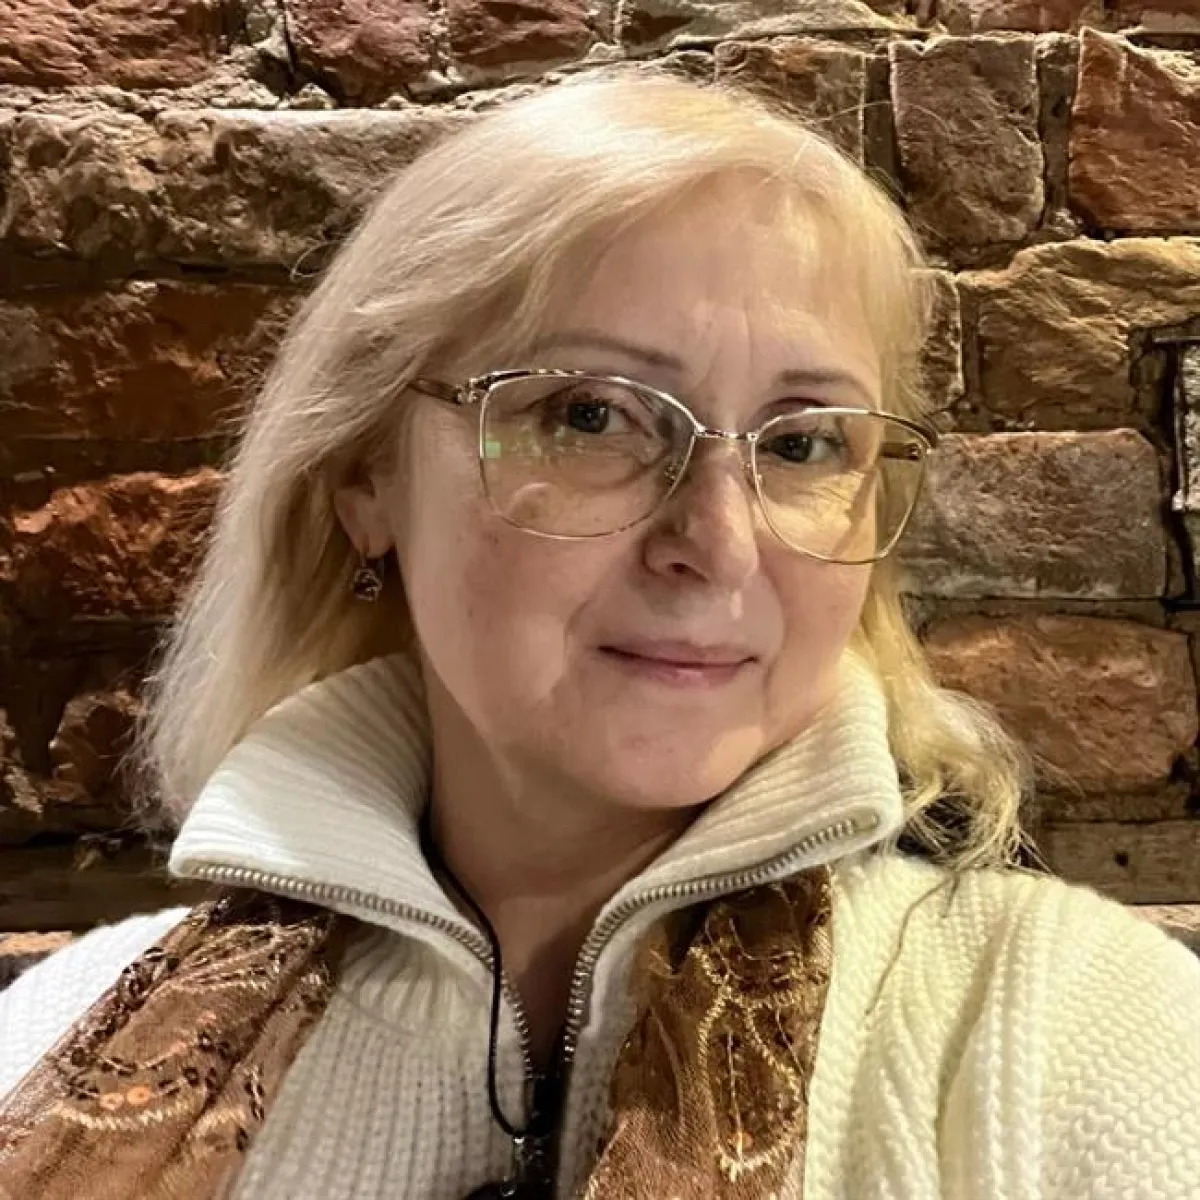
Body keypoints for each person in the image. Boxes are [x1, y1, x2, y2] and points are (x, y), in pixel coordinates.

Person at [0, 69, 1197, 1200]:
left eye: (801, 442)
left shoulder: (1078, 1034)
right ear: (367, 474)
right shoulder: (50, 1037)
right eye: (591, 416)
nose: (719, 544)